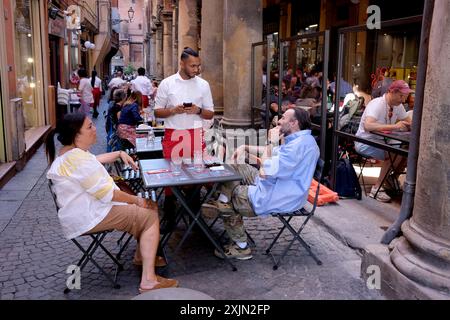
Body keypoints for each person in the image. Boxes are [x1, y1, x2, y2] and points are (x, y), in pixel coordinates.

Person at [45, 113, 178, 292]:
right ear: (77, 134)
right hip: (89, 215)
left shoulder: (69, 154)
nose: (94, 130)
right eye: (90, 127)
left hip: (83, 212)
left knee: (143, 209)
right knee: (149, 213)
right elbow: (108, 194)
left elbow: (95, 160)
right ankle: (149, 280)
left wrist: (119, 153)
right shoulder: (77, 159)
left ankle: (142, 256)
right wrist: (138, 201)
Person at [202, 108, 319, 259]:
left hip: (277, 196)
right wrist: (245, 148)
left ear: (294, 123)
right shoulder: (300, 139)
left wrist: (271, 141)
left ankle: (241, 247)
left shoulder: (297, 147)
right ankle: (221, 201)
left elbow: (265, 170)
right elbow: (272, 155)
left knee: (234, 196)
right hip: (275, 185)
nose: (279, 121)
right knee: (236, 166)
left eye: (283, 118)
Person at [154, 47, 215, 232]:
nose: (196, 69)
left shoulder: (203, 84)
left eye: (198, 65)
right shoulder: (167, 83)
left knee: (196, 175)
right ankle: (170, 217)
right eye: (192, 65)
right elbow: (157, 112)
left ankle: (194, 217)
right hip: (173, 134)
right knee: (172, 177)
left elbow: (210, 113)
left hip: (196, 134)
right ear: (182, 63)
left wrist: (197, 110)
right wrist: (173, 110)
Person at [355, 80, 413, 202]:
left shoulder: (398, 106)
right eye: (401, 96)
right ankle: (376, 189)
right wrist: (396, 127)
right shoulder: (377, 104)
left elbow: (409, 121)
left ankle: (391, 179)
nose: (403, 100)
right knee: (393, 151)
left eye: (405, 97)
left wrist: (410, 125)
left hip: (382, 141)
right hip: (365, 142)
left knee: (406, 150)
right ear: (393, 92)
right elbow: (368, 126)